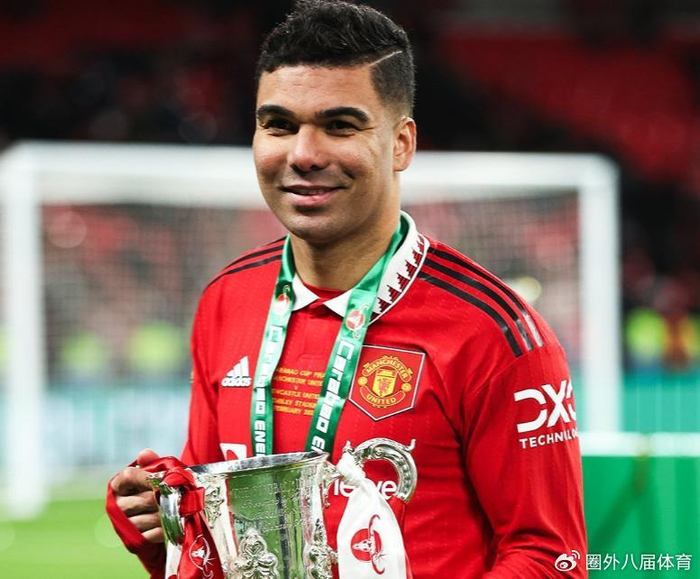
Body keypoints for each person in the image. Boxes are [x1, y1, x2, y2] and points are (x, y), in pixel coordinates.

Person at [108, 1, 587, 577]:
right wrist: (162, 522)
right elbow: (218, 536)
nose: (303, 155)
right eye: (279, 125)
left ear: (402, 143)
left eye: (339, 126)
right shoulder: (227, 300)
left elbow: (551, 559)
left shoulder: (495, 334)